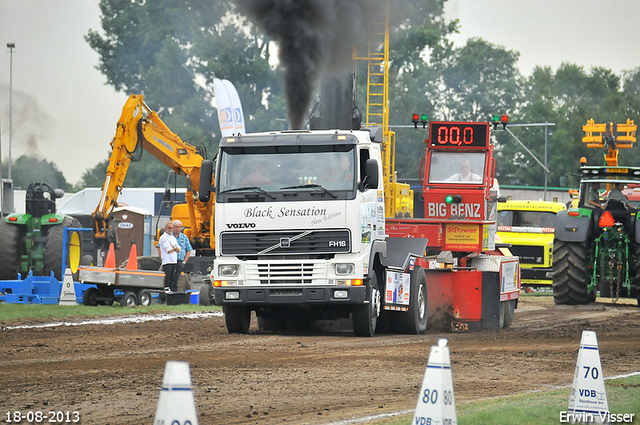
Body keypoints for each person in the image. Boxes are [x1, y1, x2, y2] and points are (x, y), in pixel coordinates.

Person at [158, 220, 180, 294]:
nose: (171, 230)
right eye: (169, 228)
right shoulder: (163, 237)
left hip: (174, 260)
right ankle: (165, 292)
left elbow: (179, 250)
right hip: (167, 261)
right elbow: (169, 250)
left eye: (172, 228)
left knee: (172, 277)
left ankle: (171, 291)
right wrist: (174, 248)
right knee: (167, 277)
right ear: (166, 228)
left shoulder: (173, 238)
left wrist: (173, 247)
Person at [172, 219, 194, 289]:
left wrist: (184, 262)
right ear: (173, 227)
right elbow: (159, 247)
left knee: (177, 276)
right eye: (176, 227)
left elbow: (188, 250)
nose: (177, 228)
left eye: (179, 227)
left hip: (180, 261)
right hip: (170, 260)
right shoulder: (169, 237)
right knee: (168, 276)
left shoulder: (184, 237)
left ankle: (175, 289)